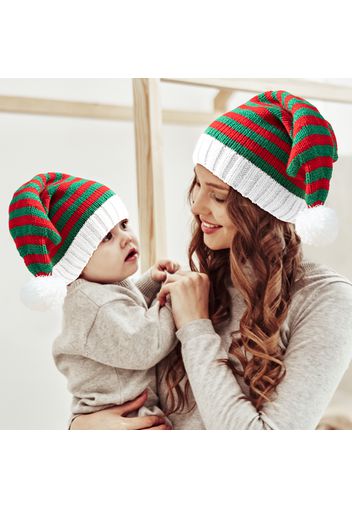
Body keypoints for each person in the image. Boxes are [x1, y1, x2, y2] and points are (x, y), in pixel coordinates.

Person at [70, 90, 352, 430]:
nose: (197, 206)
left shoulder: (328, 300)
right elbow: (107, 380)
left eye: (218, 196)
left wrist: (195, 329)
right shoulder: (199, 282)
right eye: (198, 185)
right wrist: (82, 427)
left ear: (263, 210)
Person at [8, 173, 181, 429]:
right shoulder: (93, 303)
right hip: (121, 412)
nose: (126, 238)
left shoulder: (100, 287)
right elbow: (146, 343)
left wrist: (151, 283)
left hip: (123, 404)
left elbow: (125, 309)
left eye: (124, 224)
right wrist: (172, 301)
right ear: (77, 261)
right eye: (106, 238)